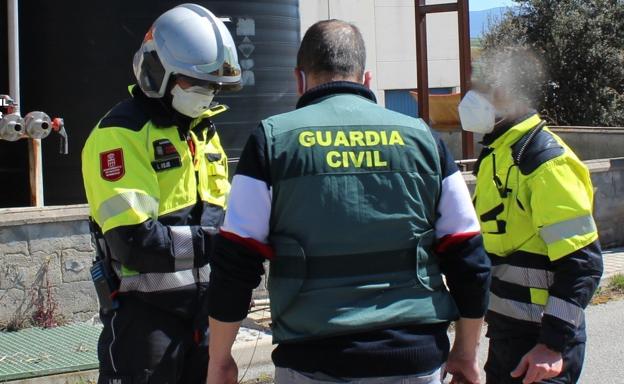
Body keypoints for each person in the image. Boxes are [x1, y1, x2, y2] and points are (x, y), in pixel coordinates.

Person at [207, 19, 491, 384]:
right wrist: (466, 353)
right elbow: (469, 257)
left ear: (299, 79)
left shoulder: (271, 141)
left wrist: (221, 360)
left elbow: (235, 261)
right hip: (414, 360)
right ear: (367, 79)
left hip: (312, 361)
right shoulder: (425, 141)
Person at [81, 4, 241, 383]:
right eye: (197, 83)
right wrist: (222, 243)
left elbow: (221, 214)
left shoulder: (202, 131)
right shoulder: (120, 135)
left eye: (214, 86)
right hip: (144, 319)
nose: (207, 94)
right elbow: (135, 243)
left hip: (205, 315)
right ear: (159, 73)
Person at [458, 50, 603, 384]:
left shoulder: (546, 164)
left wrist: (551, 346)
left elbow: (584, 263)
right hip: (509, 336)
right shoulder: (500, 154)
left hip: (542, 345)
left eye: (480, 89)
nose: (468, 98)